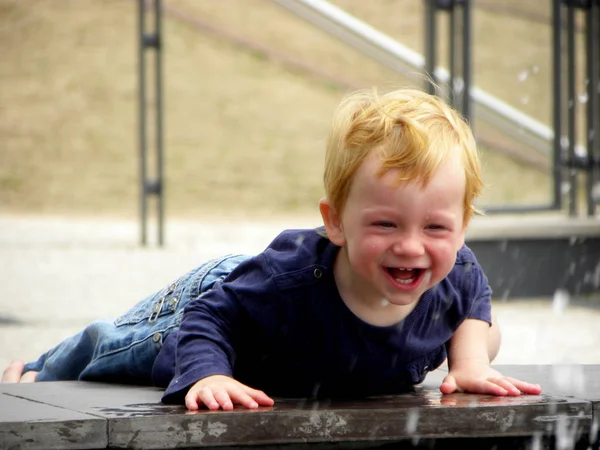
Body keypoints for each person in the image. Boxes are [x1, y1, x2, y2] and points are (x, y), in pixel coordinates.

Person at [2, 88, 542, 411]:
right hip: (229, 301)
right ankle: (39, 368)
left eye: (435, 229)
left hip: (265, 316)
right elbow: (210, 317)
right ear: (336, 222)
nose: (411, 246)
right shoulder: (290, 282)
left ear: (462, 226)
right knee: (119, 349)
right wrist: (209, 375)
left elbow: (475, 299)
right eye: (385, 223)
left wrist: (468, 361)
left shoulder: (453, 270)